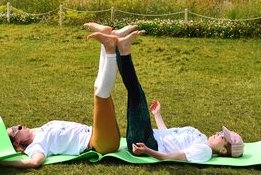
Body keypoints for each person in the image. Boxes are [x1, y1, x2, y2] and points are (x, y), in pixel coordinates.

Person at [86, 23, 244, 162]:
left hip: (145, 143)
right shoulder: (200, 136)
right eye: (221, 132)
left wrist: (147, 151)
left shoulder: (204, 151)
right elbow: (168, 136)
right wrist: (157, 115)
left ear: (224, 150)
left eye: (223, 137)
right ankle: (119, 46)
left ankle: (121, 48)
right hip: (150, 136)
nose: (218, 133)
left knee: (137, 95)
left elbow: (173, 157)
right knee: (135, 95)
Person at [0, 25, 137, 169]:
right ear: (16, 143)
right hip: (99, 144)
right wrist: (0, 162)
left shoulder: (36, 132)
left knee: (98, 88)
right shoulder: (35, 147)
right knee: (101, 96)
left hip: (97, 132)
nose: (22, 126)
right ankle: (110, 49)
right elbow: (34, 162)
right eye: (17, 129)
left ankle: (108, 40)